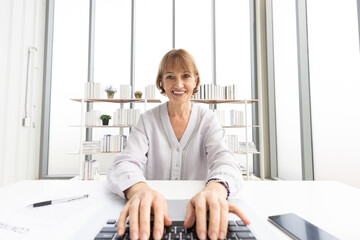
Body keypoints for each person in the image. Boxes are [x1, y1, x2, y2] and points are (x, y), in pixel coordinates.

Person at [107, 49, 249, 240]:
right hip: (152, 214)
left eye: (186, 76)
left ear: (195, 81)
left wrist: (215, 189)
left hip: (201, 213)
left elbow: (225, 161)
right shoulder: (147, 120)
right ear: (161, 82)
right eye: (170, 76)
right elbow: (125, 163)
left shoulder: (208, 120)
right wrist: (139, 191)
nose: (179, 84)